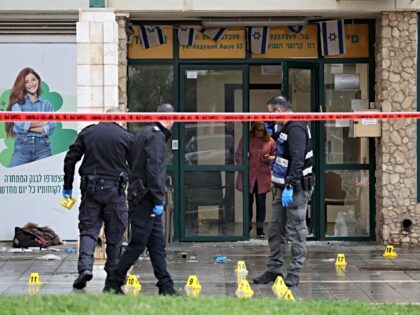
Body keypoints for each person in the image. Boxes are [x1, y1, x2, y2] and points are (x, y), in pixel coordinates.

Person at [103, 103, 177, 295]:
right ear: (170, 118)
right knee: (138, 244)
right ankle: (113, 282)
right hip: (146, 199)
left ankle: (166, 286)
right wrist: (158, 198)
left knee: (157, 245)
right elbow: (154, 170)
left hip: (141, 195)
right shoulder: (156, 136)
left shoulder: (145, 133)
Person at [63, 107, 133, 290]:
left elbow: (70, 159)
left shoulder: (88, 132)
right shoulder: (125, 137)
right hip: (115, 192)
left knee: (88, 230)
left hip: (91, 190)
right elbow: (136, 166)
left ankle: (85, 268)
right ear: (120, 120)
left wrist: (67, 187)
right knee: (115, 234)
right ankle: (114, 273)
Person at [253, 95, 314, 287]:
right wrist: (273, 134)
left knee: (296, 230)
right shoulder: (286, 128)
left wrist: (290, 185)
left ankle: (294, 273)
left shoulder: (296, 127)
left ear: (278, 111)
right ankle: (274, 270)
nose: (268, 117)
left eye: (269, 113)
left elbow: (297, 159)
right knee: (275, 229)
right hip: (283, 188)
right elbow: (283, 151)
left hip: (295, 187)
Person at [5, 67, 56, 167]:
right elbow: (20, 125)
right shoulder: (17, 105)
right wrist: (42, 123)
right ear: (22, 85)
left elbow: (51, 128)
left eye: (33, 79)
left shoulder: (47, 105)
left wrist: (27, 126)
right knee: (10, 177)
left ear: (38, 80)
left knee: (46, 180)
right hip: (22, 148)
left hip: (43, 149)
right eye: (26, 82)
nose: (31, 84)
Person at [235, 121, 275, 238]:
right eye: (257, 130)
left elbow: (277, 155)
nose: (259, 132)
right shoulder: (247, 139)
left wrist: (269, 158)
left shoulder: (270, 141)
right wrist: (244, 163)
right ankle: (247, 227)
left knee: (261, 204)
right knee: (248, 203)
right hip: (249, 175)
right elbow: (238, 154)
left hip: (262, 176)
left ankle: (260, 228)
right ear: (253, 129)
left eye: (262, 130)